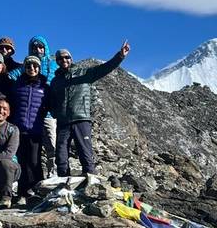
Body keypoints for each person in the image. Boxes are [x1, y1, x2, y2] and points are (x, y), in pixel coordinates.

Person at [48, 41, 130, 177]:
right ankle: (62, 185)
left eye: (66, 57)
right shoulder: (55, 81)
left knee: (85, 154)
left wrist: (120, 56)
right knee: (61, 157)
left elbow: (105, 68)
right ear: (57, 61)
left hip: (81, 119)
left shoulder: (84, 73)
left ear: (71, 58)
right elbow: (51, 100)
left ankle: (91, 184)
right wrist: (55, 113)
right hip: (63, 123)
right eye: (60, 58)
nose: (64, 60)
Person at [9, 55, 49, 200]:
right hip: (19, 129)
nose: (32, 68)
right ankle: (22, 192)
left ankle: (37, 190)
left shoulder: (44, 86)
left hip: (35, 130)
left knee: (35, 161)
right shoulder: (17, 85)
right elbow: (12, 104)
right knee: (22, 161)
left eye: (35, 66)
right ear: (24, 68)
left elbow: (48, 105)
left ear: (38, 68)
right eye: (28, 66)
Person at [28, 36, 58, 178]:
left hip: (49, 114)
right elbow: (14, 75)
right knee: (33, 147)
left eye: (40, 47)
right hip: (32, 115)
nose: (38, 50)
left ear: (45, 48)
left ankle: (53, 175)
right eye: (34, 47)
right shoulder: (27, 65)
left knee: (52, 146)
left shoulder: (54, 65)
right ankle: (36, 177)